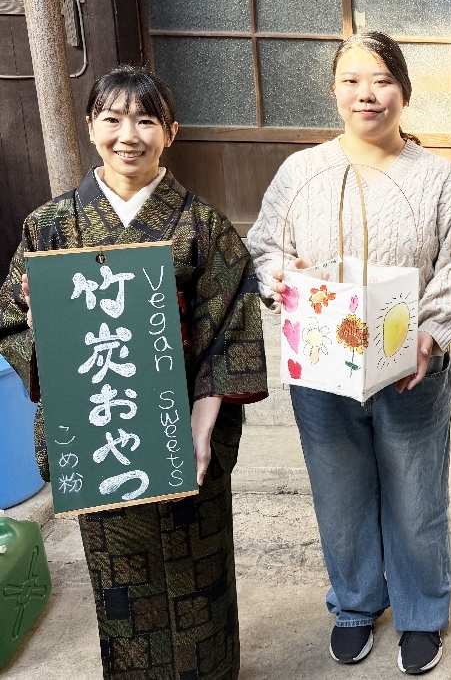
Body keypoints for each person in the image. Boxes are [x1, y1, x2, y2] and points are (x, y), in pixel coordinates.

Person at [0, 65, 269, 680]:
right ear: (90, 125)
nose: (129, 135)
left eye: (146, 120)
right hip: (101, 427)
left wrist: (203, 426)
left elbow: (231, 329)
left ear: (170, 132)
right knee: (122, 581)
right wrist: (40, 323)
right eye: (113, 118)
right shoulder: (51, 225)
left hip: (183, 430)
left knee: (199, 573)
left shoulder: (202, 225)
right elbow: (11, 323)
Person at [246, 31, 451, 675]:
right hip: (323, 364)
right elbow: (265, 246)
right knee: (339, 492)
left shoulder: (437, 178)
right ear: (334, 91)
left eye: (380, 80)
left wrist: (433, 331)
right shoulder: (301, 172)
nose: (366, 94)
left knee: (415, 494)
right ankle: (354, 603)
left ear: (403, 90)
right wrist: (280, 276)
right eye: (351, 80)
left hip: (412, 364)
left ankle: (421, 611)